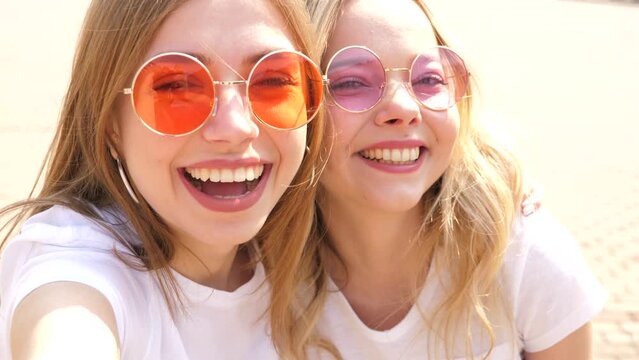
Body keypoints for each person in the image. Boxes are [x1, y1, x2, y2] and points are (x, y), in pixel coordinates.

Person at [0, 0, 326, 358]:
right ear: (110, 124)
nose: (235, 128)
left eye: (273, 81)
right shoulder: (75, 268)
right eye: (176, 87)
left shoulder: (308, 271)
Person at [291, 0, 606, 359]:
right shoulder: (251, 272)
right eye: (351, 82)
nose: (404, 109)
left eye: (428, 78)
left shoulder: (524, 256)